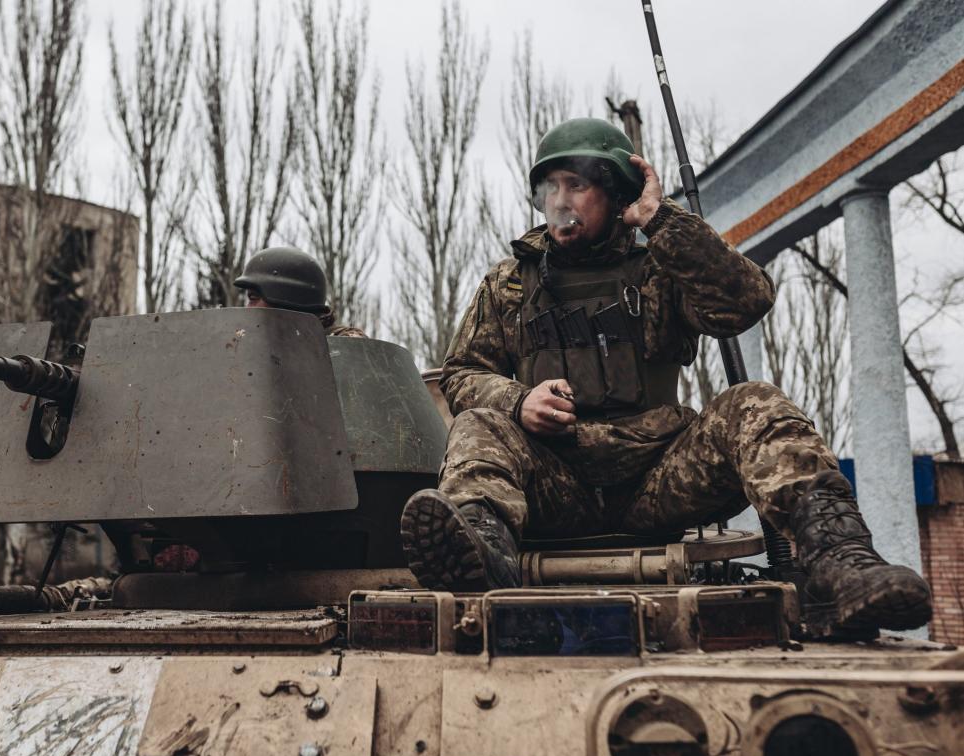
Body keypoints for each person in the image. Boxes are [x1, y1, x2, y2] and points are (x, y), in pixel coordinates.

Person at [399, 117, 931, 635]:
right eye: (551, 186)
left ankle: (841, 562)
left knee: (753, 401)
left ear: (616, 192)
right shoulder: (511, 284)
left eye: (577, 184)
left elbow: (744, 304)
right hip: (557, 482)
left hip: (659, 480)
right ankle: (483, 563)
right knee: (476, 428)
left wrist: (664, 220)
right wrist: (518, 401)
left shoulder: (659, 265)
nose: (560, 200)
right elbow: (462, 372)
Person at [233, 247, 366, 337]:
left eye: (253, 298)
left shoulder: (342, 351)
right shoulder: (260, 349)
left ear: (284, 300)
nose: (248, 308)